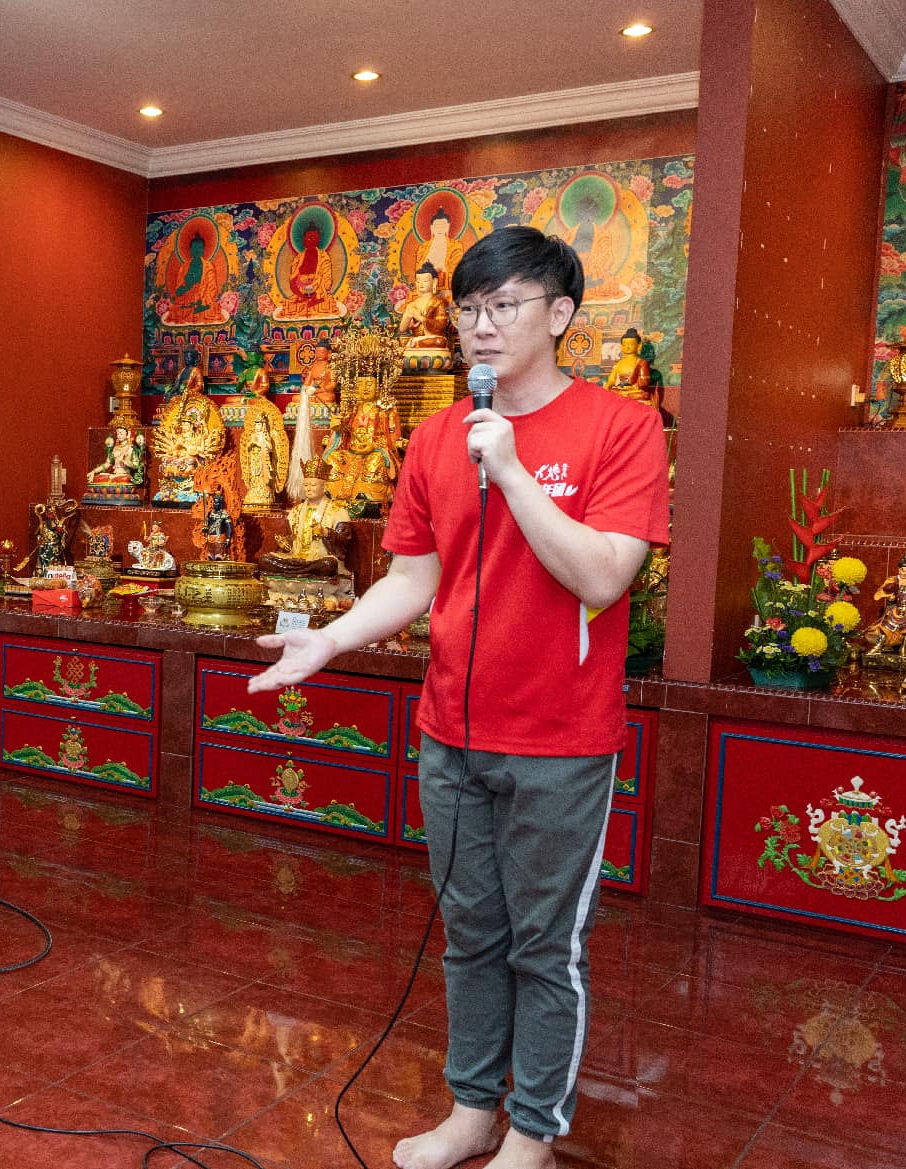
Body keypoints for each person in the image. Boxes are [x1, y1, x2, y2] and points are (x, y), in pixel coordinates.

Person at [249, 226, 670, 1169]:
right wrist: (330, 639)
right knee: (470, 932)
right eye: (469, 309)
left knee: (545, 946)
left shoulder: (620, 427)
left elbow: (604, 576)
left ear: (559, 315)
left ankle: (535, 1132)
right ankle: (473, 1109)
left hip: (561, 740)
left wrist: (512, 470)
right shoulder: (438, 436)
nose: (481, 325)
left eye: (504, 305)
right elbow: (413, 579)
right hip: (451, 734)